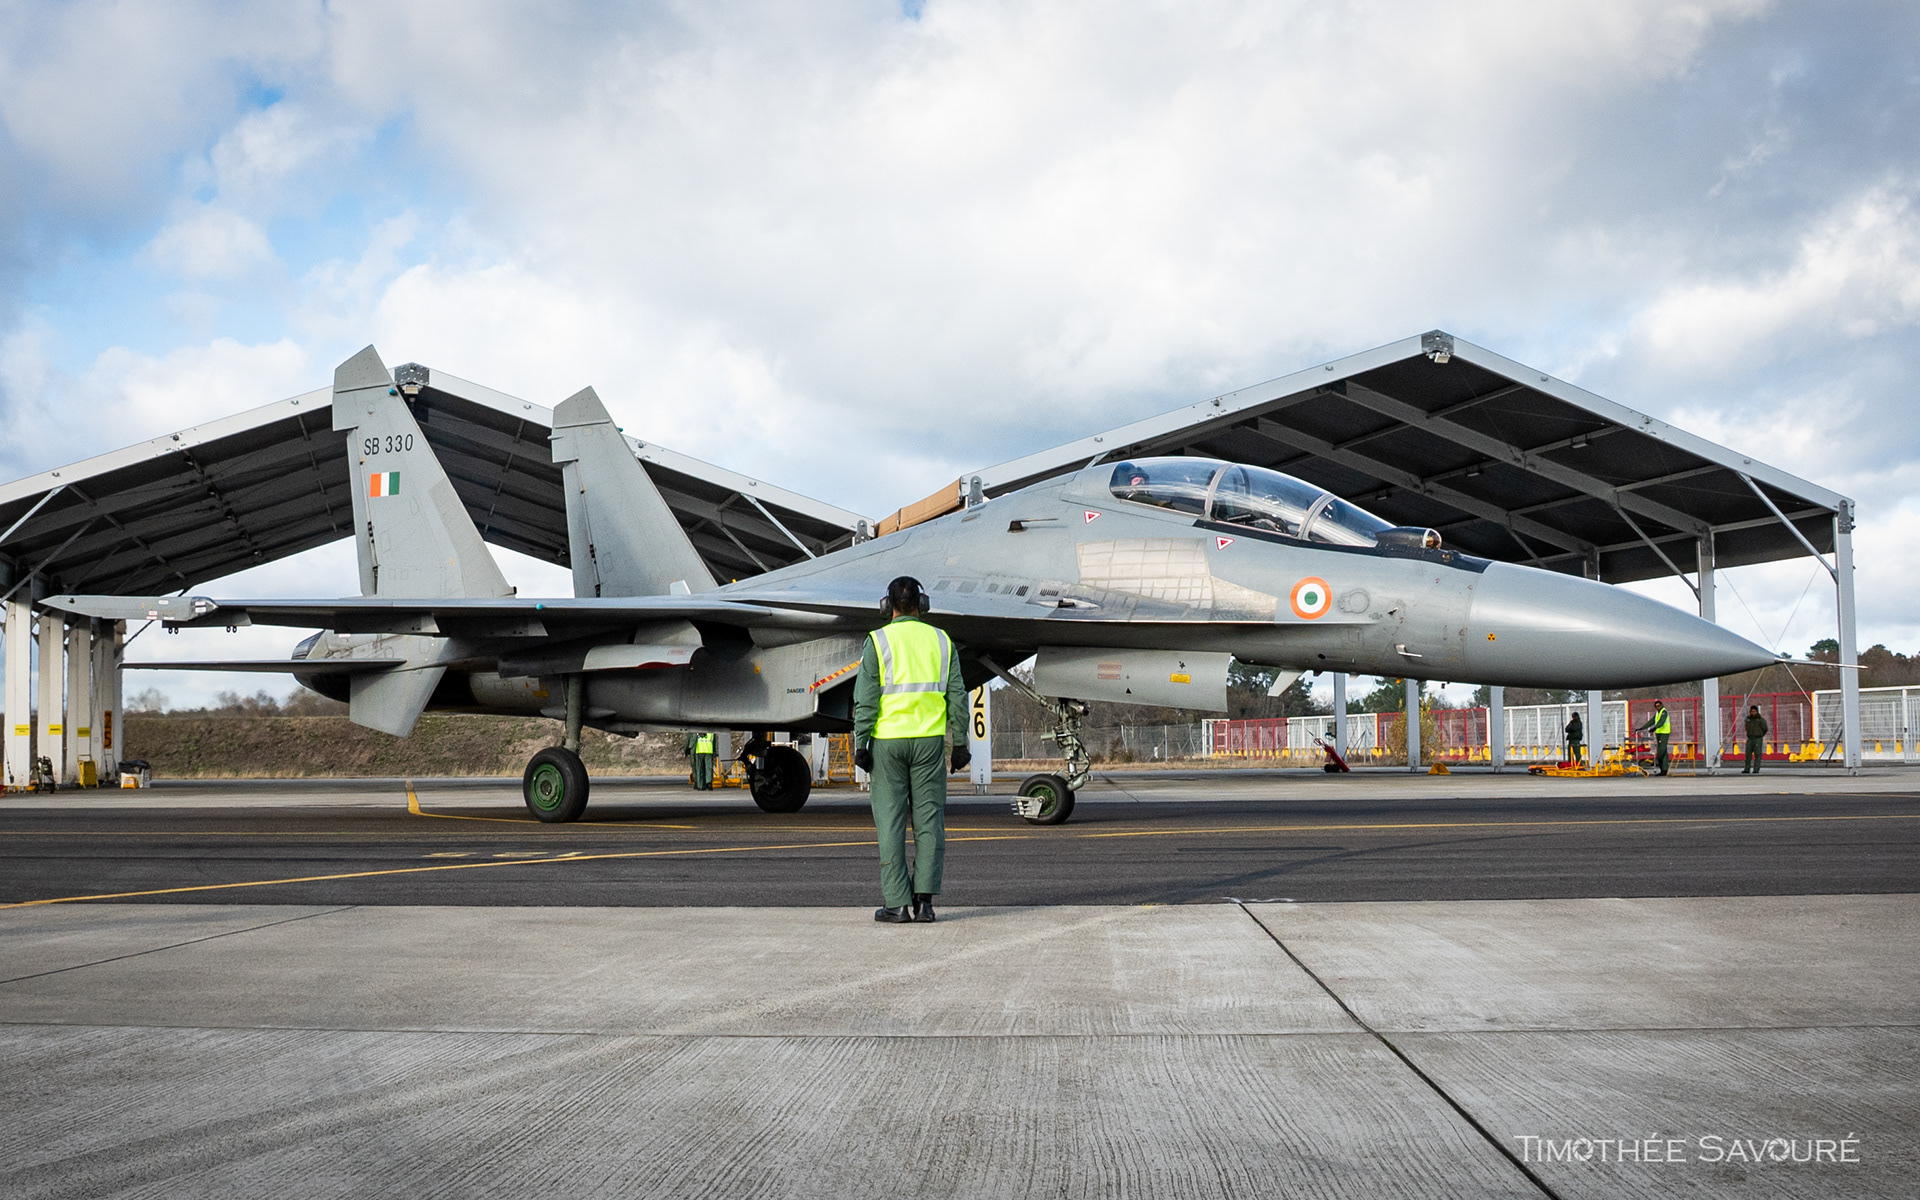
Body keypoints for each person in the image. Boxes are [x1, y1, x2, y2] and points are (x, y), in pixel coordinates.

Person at [853, 575, 970, 924]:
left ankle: (897, 904)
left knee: (890, 823)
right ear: (923, 604)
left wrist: (861, 743)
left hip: (888, 743)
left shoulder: (878, 641)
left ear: (887, 606)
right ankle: (925, 903)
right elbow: (958, 696)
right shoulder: (942, 640)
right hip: (929, 743)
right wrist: (960, 742)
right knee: (929, 822)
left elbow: (865, 699)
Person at [1640, 700, 1672, 776]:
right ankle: (1663, 770)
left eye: (1659, 706)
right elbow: (1652, 721)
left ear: (1661, 705)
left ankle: (1655, 762)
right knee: (1663, 752)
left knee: (1661, 750)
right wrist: (1642, 728)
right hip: (1659, 733)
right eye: (1656, 706)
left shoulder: (1664, 712)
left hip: (1664, 733)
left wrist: (1654, 728)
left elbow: (1661, 722)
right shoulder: (1657, 713)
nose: (1658, 707)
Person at [1743, 705, 1769, 774]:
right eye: (1752, 711)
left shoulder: (1760, 720)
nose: (1753, 713)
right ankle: (1747, 768)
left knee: (1757, 754)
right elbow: (1746, 727)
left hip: (1758, 738)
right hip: (1750, 738)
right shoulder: (1748, 719)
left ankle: (1756, 769)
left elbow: (1765, 729)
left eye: (1754, 711)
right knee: (1748, 754)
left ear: (1757, 711)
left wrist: (1760, 734)